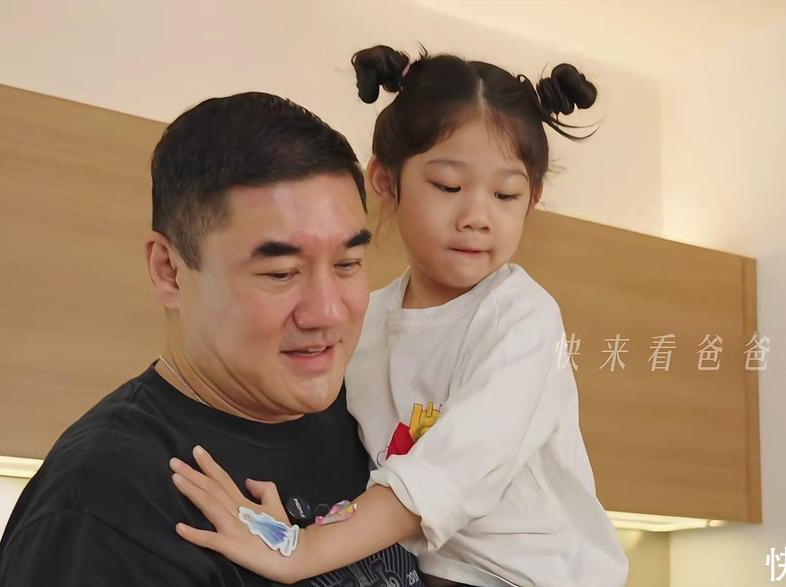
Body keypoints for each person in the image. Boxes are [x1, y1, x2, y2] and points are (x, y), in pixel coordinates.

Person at [169, 47, 630, 587]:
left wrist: (300, 549)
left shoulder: (523, 318)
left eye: (506, 195)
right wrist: (289, 527)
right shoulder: (363, 321)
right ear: (386, 181)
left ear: (533, 197)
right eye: (449, 187)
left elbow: (452, 472)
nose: (477, 217)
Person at [0, 92, 422, 586]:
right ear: (169, 271)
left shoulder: (374, 414)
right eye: (281, 273)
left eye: (347, 264)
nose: (327, 312)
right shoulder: (103, 512)